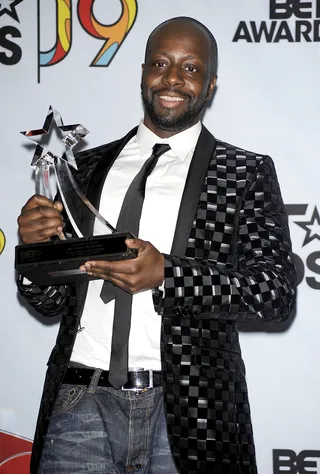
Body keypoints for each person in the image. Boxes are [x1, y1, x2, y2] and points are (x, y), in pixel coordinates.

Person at [17, 16, 296, 474]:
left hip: (193, 407)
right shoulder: (83, 168)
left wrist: (168, 273)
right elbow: (49, 301)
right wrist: (34, 253)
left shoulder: (244, 172)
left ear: (210, 86)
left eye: (190, 68)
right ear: (143, 72)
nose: (173, 78)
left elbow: (275, 294)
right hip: (78, 401)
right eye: (162, 63)